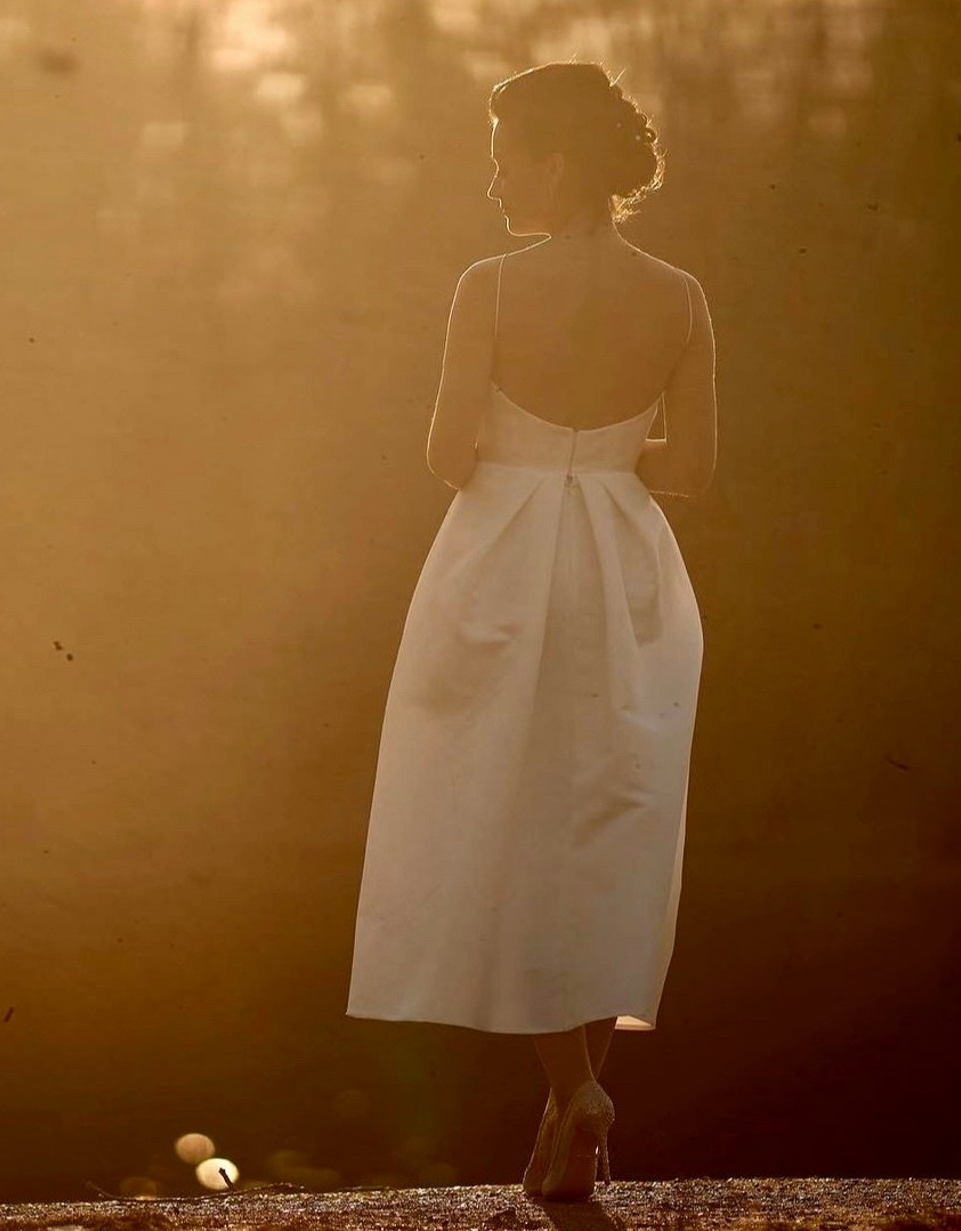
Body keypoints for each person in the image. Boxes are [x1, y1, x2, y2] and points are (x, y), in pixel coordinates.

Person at [345, 60, 717, 1203]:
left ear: (552, 165)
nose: (492, 174)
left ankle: (574, 1094)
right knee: (605, 819)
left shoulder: (489, 287)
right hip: (622, 566)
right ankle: (572, 1099)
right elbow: (693, 470)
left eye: (503, 150)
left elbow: (446, 455)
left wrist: (528, 449)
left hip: (500, 563)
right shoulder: (678, 294)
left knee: (500, 817)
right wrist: (605, 456)